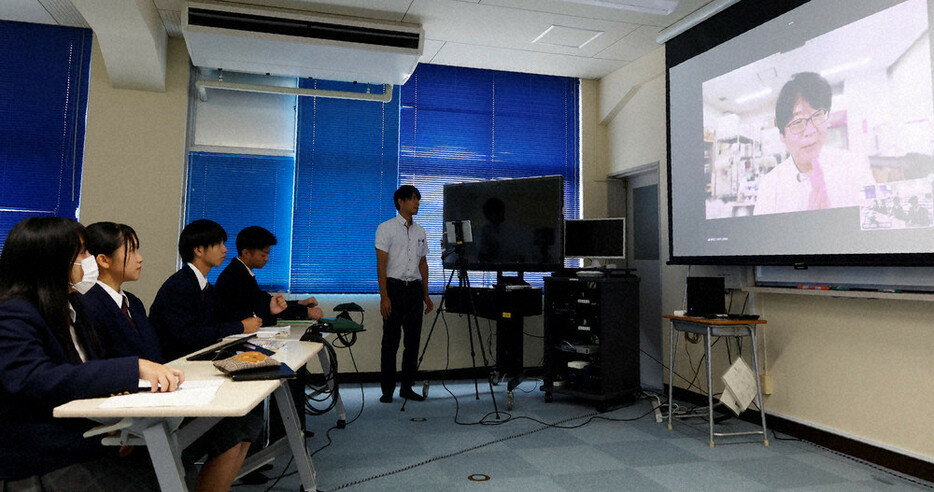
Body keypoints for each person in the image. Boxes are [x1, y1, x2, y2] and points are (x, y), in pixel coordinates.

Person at [0, 217, 182, 491]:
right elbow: (36, 380)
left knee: (169, 470)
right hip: (41, 457)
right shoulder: (13, 313)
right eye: (83, 252)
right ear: (53, 259)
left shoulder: (72, 306)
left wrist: (120, 428)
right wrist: (134, 368)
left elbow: (86, 374)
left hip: (85, 439)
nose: (89, 260)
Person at [82, 221, 260, 492]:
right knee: (233, 427)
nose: (140, 258)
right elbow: (95, 369)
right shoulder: (88, 306)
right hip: (126, 413)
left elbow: (155, 356)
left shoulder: (132, 303)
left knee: (243, 422)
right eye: (132, 251)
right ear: (103, 260)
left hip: (158, 398)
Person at [754, 72, 875, 215]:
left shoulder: (854, 165)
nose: (810, 131)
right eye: (798, 122)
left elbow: (878, 222)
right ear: (782, 136)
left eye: (817, 115)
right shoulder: (770, 186)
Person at [149, 219, 262, 362]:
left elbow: (220, 319)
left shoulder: (204, 286)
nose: (225, 249)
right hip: (176, 364)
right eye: (218, 244)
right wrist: (239, 326)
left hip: (197, 356)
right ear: (198, 250)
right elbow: (189, 336)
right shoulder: (179, 286)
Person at [375, 185, 434, 403]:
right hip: (394, 289)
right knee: (390, 342)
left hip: (414, 290)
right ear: (400, 201)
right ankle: (387, 390)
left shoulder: (420, 231)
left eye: (418, 199)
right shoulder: (386, 228)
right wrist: (384, 296)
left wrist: (426, 295)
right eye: (413, 199)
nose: (417, 203)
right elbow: (381, 265)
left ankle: (407, 387)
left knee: (413, 342)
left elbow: (423, 263)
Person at [215, 225, 323, 326]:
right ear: (246, 253)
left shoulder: (241, 272)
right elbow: (262, 309)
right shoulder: (235, 277)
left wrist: (301, 303)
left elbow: (266, 302)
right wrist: (305, 311)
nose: (267, 259)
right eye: (263, 255)